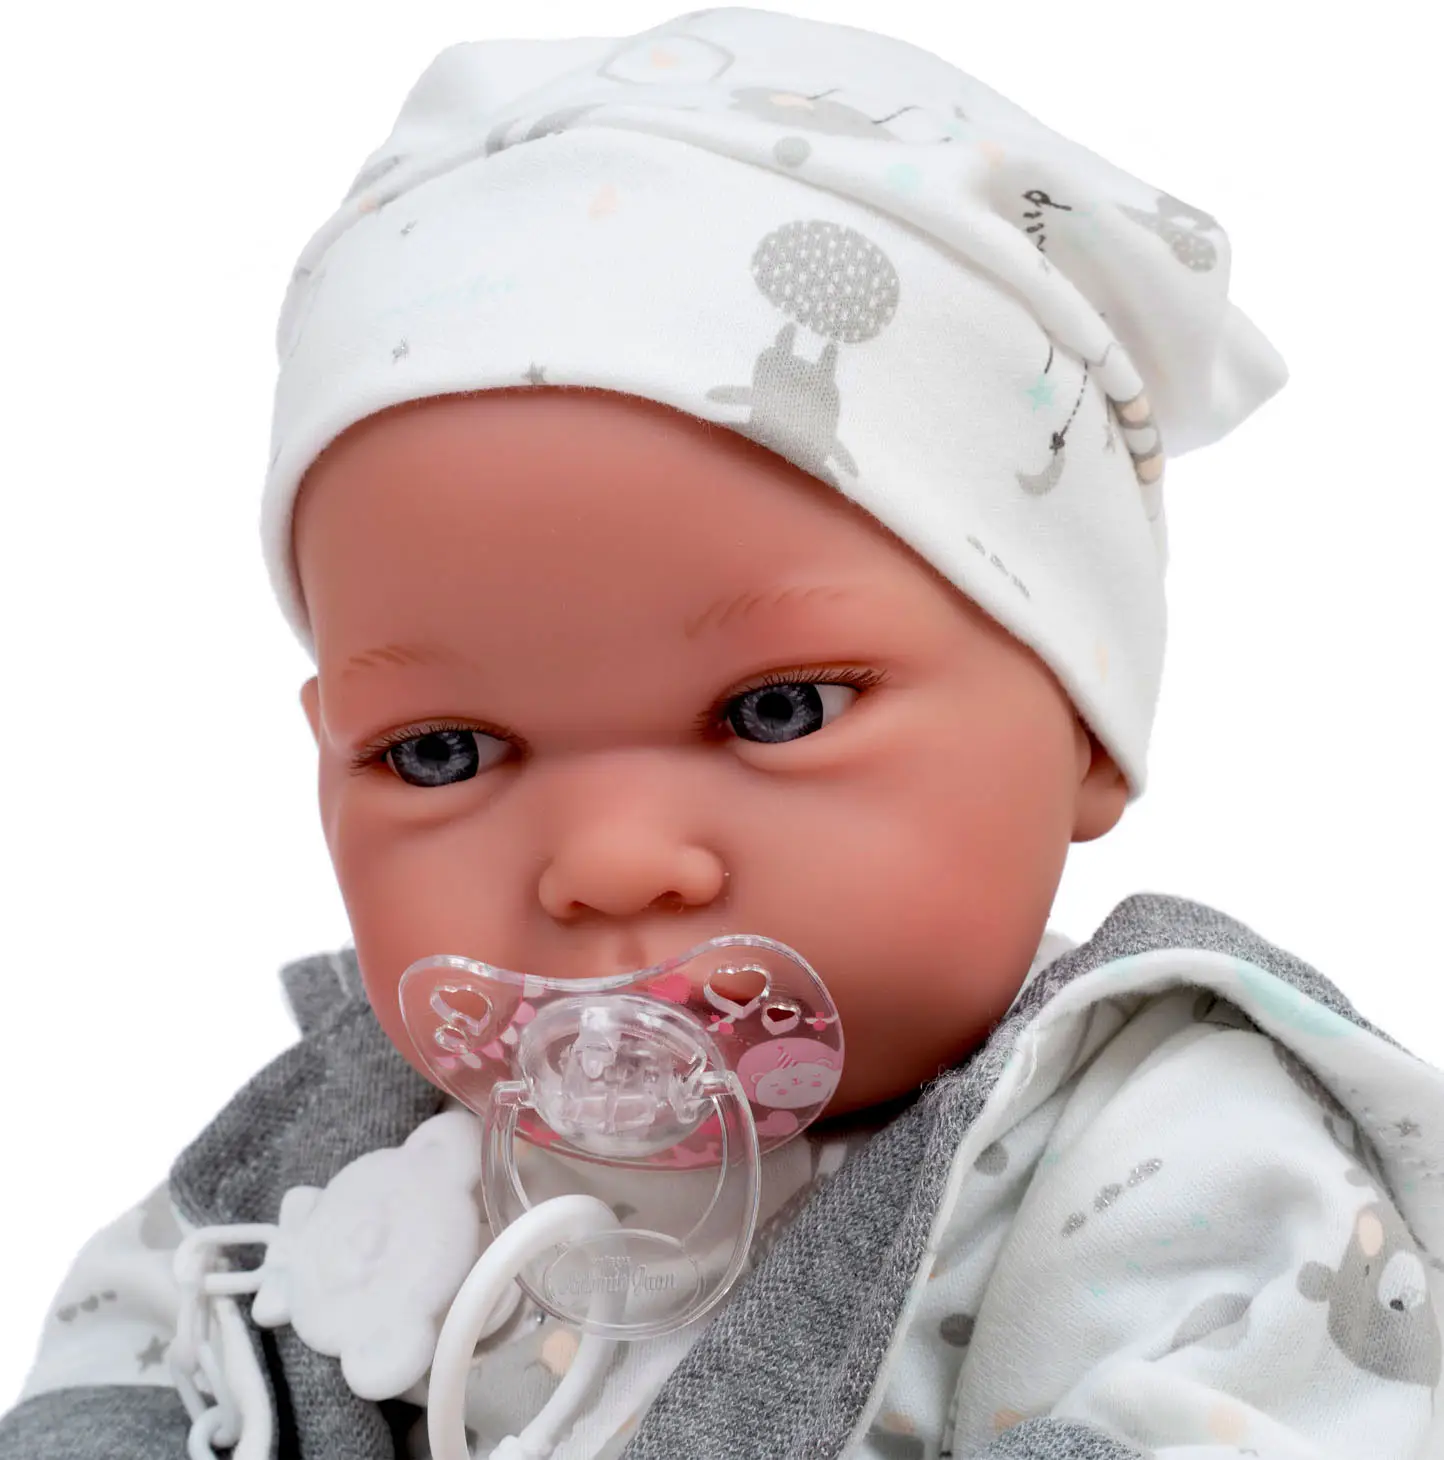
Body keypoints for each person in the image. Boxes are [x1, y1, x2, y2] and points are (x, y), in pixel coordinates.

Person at [4, 8, 1440, 1459]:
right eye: (442, 752)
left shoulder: (1167, 1164)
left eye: (777, 711)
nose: (607, 865)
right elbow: (122, 1358)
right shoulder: (336, 1144)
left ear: (1085, 727)